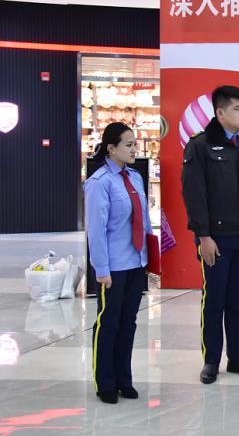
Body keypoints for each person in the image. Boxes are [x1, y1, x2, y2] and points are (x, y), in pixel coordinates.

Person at [181, 85, 239, 384]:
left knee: (238, 301)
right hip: (216, 240)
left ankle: (237, 358)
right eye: (236, 108)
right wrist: (203, 236)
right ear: (220, 113)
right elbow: (194, 195)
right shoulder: (200, 146)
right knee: (214, 301)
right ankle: (211, 361)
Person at [85, 122, 153, 404]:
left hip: (135, 263)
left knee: (128, 323)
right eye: (128, 145)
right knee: (108, 323)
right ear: (111, 149)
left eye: (135, 144)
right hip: (113, 268)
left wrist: (149, 260)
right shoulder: (99, 183)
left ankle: (124, 379)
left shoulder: (135, 178)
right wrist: (101, 270)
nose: (134, 149)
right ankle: (105, 382)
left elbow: (144, 222)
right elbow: (96, 231)